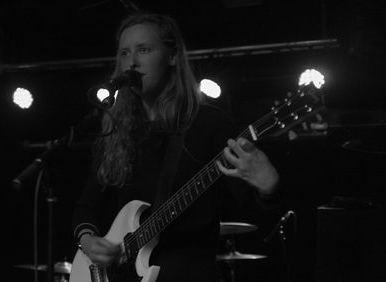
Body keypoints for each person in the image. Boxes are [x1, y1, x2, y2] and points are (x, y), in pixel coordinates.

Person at [71, 12, 280, 282]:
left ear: (172, 56)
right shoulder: (116, 129)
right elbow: (86, 207)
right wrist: (89, 243)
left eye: (143, 50)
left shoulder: (208, 123)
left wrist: (269, 188)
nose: (131, 63)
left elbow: (249, 208)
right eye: (124, 53)